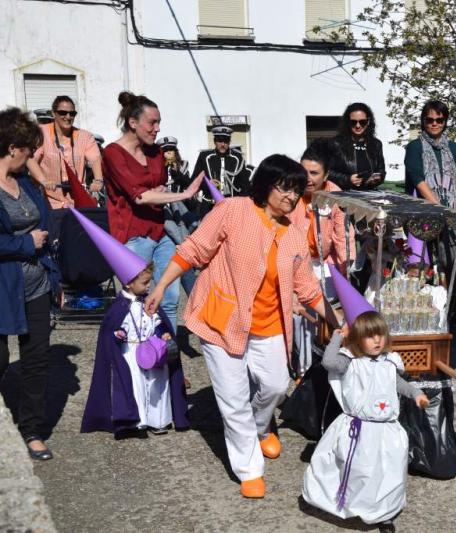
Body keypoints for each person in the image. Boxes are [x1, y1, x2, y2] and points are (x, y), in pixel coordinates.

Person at [144, 154, 333, 499]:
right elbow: (194, 249)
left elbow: (306, 287)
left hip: (270, 324)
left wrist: (336, 319)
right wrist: (160, 286)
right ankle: (249, 469)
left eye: (296, 190)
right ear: (265, 185)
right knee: (233, 399)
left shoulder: (295, 232)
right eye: (284, 188)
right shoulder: (234, 210)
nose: (291, 197)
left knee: (276, 386)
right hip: (222, 320)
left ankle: (261, 428)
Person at [303, 269, 428, 533]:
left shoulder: (389, 362)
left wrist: (415, 394)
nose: (377, 340)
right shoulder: (350, 362)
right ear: (357, 338)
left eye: (380, 334)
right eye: (370, 336)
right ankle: (356, 505)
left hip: (387, 429)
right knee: (361, 470)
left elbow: (398, 384)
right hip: (359, 430)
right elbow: (327, 362)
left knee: (389, 471)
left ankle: (385, 513)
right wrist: (339, 334)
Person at [102, 91, 203, 334]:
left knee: (169, 298)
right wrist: (183, 194)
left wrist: (156, 192)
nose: (157, 129)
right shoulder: (113, 153)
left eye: (159, 122)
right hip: (133, 235)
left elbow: (155, 188)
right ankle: (137, 356)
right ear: (133, 123)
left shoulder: (156, 152)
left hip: (161, 231)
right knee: (135, 299)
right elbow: (140, 196)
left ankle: (167, 355)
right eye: (152, 123)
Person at [80, 227, 188, 437]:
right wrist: (118, 334)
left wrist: (163, 332)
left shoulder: (148, 301)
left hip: (153, 350)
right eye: (145, 283)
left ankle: (159, 420)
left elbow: (158, 322)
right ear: (129, 282)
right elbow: (112, 330)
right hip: (130, 352)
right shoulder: (118, 307)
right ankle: (138, 419)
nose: (149, 287)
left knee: (158, 385)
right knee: (137, 386)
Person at [0, 107, 61, 460]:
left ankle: (32, 430)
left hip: (36, 283)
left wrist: (55, 277)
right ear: (13, 147)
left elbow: (46, 227)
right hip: (3, 287)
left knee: (37, 359)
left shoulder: (25, 183)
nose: (32, 156)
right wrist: (25, 243)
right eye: (29, 149)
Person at [290, 139, 355, 375]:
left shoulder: (335, 194)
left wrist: (345, 268)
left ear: (326, 174)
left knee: (325, 312)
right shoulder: (292, 191)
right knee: (300, 316)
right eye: (303, 170)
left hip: (325, 263)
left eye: (314, 173)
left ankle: (322, 359)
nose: (307, 177)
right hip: (295, 263)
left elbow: (343, 233)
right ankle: (302, 366)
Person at [404, 100, 456, 279]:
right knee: (417, 266)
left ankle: (446, 304)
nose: (434, 123)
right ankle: (418, 304)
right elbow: (418, 179)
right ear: (423, 121)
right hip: (421, 215)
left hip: (449, 215)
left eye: (439, 120)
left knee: (446, 266)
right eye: (429, 119)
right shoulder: (414, 147)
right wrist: (437, 206)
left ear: (445, 121)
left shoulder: (453, 148)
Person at [26, 96, 104, 208]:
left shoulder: (85, 136)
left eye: (72, 114)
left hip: (77, 201)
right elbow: (31, 159)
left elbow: (95, 158)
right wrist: (44, 180)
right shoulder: (41, 132)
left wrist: (98, 180)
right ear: (53, 113)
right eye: (63, 112)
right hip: (48, 201)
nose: (68, 117)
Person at [157, 136, 198, 297]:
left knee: (181, 247)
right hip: (164, 212)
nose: (169, 153)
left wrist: (176, 173)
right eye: (165, 150)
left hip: (181, 210)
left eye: (171, 150)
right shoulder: (156, 169)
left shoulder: (183, 166)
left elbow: (189, 187)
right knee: (180, 246)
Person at [191, 125, 249, 218]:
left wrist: (242, 206)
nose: (223, 144)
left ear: (229, 142)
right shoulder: (205, 156)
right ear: (214, 141)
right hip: (210, 206)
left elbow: (245, 184)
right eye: (219, 141)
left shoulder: (237, 158)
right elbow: (194, 180)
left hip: (231, 207)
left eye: (225, 141)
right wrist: (207, 183)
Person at [328, 102, 386, 191]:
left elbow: (381, 170)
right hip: (343, 195)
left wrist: (378, 178)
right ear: (347, 122)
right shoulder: (336, 143)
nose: (358, 126)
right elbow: (327, 171)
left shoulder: (376, 144)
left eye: (362, 122)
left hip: (369, 195)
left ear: (368, 121)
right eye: (353, 122)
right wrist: (348, 179)